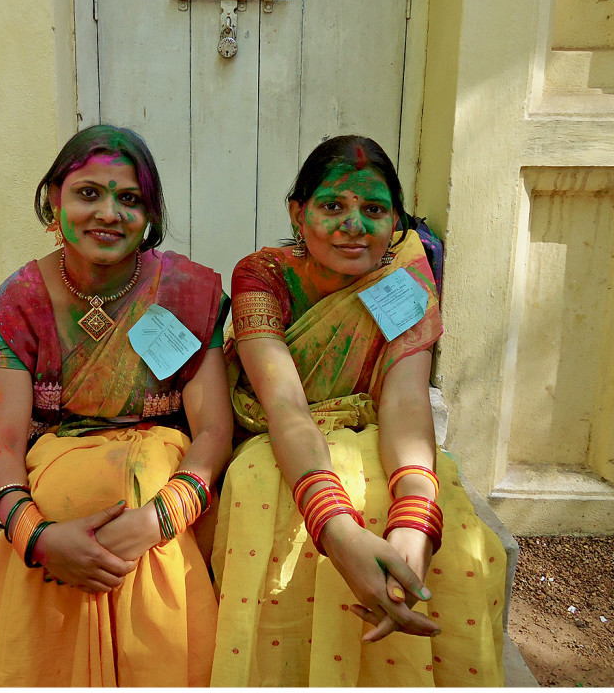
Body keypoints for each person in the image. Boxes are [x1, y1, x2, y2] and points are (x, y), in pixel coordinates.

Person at [210, 135, 506, 686]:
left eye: (373, 210)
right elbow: (285, 405)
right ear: (298, 214)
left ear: (395, 221)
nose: (354, 225)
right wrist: (337, 532)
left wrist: (416, 521)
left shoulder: (403, 280)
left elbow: (404, 399)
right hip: (277, 435)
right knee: (262, 501)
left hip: (373, 429)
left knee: (457, 546)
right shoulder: (262, 276)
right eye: (332, 207)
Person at [0, 125, 232, 687]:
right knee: (67, 492)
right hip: (59, 496)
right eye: (88, 194)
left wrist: (156, 520)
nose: (108, 213)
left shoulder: (186, 294)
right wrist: (39, 537)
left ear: (150, 215)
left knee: (139, 479)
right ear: (55, 200)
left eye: (129, 199)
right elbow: (2, 444)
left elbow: (213, 431)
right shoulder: (18, 305)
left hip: (162, 495)